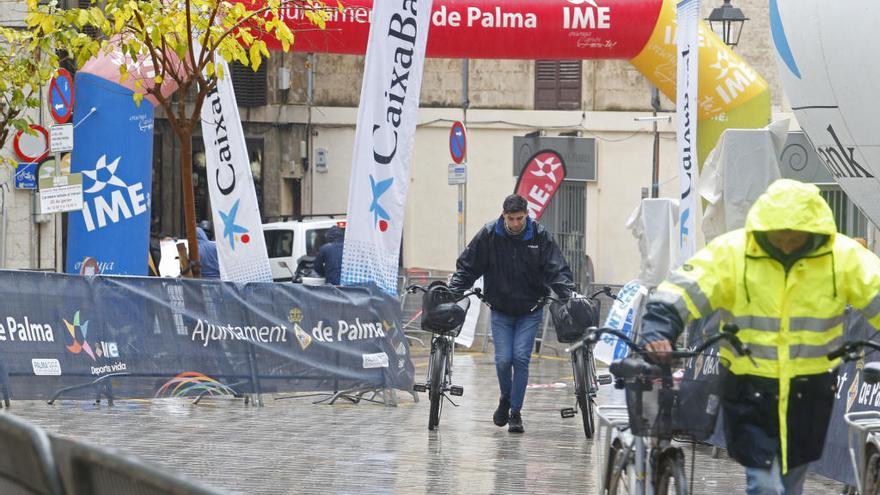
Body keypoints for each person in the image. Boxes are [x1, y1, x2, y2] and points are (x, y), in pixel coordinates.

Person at [640, 179, 880, 494]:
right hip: (749, 389)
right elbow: (683, 289)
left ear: (814, 231)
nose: (788, 240)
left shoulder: (841, 257)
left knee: (791, 483)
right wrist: (660, 327)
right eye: (780, 232)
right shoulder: (733, 253)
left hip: (810, 393)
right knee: (765, 485)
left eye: (797, 234)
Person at [448, 194, 575, 433]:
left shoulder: (540, 235)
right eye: (511, 218)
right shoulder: (489, 234)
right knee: (503, 359)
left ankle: (515, 413)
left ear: (527, 214)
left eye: (520, 218)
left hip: (530, 309)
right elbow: (468, 266)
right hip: (501, 309)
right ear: (503, 215)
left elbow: (556, 268)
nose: (515, 223)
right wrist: (455, 290)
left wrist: (567, 293)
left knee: (520, 358)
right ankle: (506, 398)